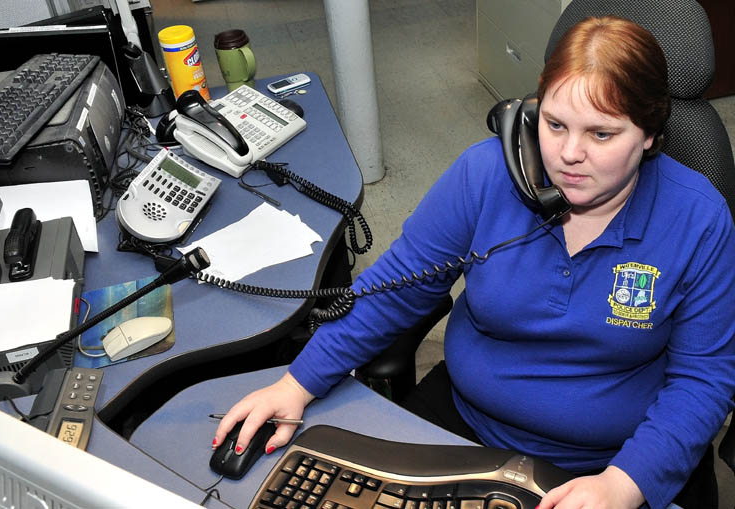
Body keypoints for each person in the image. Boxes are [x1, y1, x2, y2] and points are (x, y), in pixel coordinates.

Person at [213, 16, 735, 509]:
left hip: (613, 461)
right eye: (554, 124)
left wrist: (626, 484)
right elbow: (394, 290)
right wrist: (296, 383)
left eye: (601, 134)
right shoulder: (485, 175)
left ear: (648, 134)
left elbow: (704, 379)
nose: (568, 154)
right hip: (467, 423)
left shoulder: (697, 218)